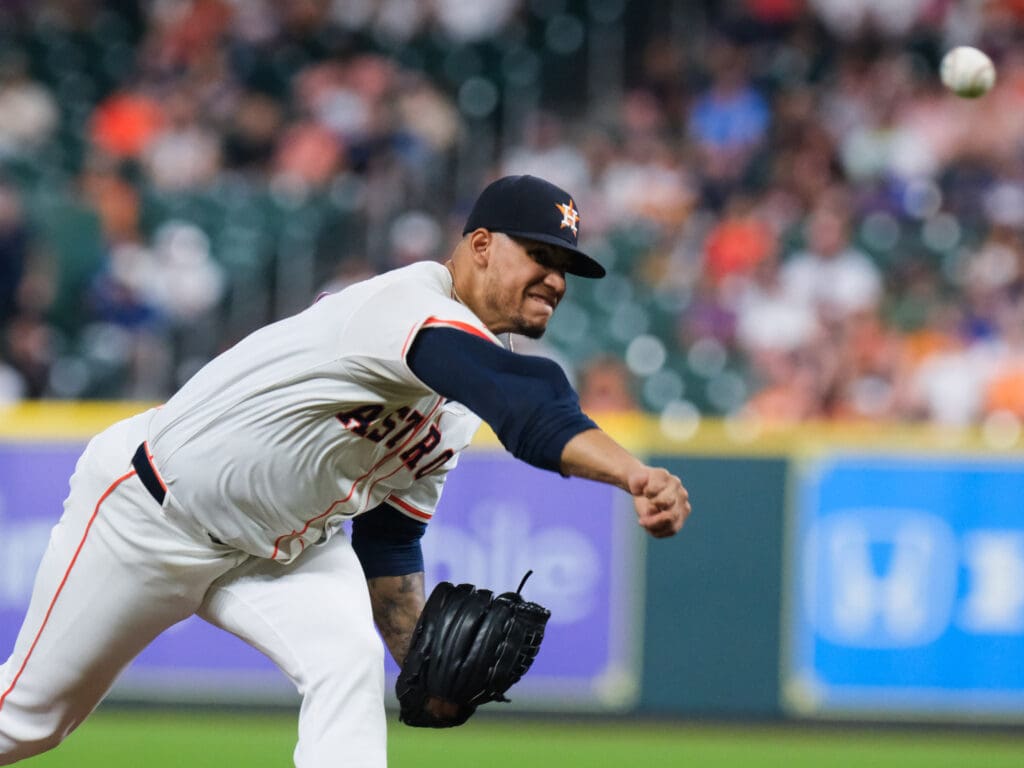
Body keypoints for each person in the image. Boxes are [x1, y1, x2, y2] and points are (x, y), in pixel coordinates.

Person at [0, 174, 691, 767]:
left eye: (565, 266)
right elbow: (527, 400)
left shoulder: (456, 405)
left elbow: (388, 543)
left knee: (347, 665)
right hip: (150, 515)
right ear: (480, 245)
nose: (555, 279)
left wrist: (421, 666)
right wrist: (635, 474)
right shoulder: (407, 307)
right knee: (28, 723)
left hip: (281, 552)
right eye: (540, 254)